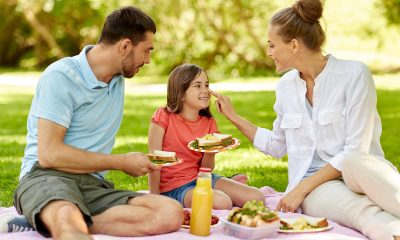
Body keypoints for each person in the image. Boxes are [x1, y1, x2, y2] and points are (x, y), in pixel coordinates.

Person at [210, 0, 400, 239]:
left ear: (294, 45)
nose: (268, 52)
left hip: (360, 172)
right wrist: (234, 117)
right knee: (362, 213)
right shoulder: (285, 87)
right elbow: (276, 146)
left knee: (356, 164)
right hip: (318, 189)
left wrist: (300, 189)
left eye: (272, 45)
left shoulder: (354, 75)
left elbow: (356, 151)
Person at [4, 6, 183, 239]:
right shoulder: (61, 77)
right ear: (125, 46)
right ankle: (59, 220)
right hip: (45, 176)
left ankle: (42, 222)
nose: (148, 61)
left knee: (170, 212)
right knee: (68, 222)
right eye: (146, 51)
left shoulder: (117, 78)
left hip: (92, 183)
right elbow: (49, 155)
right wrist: (121, 162)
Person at [147, 63, 265, 209]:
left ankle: (224, 186)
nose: (206, 91)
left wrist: (210, 151)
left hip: (202, 178)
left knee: (256, 198)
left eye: (207, 85)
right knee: (222, 202)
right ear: (181, 92)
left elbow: (206, 169)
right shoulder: (164, 116)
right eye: (198, 86)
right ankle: (221, 191)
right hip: (174, 187)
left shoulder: (209, 122)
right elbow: (154, 160)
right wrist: (153, 197)